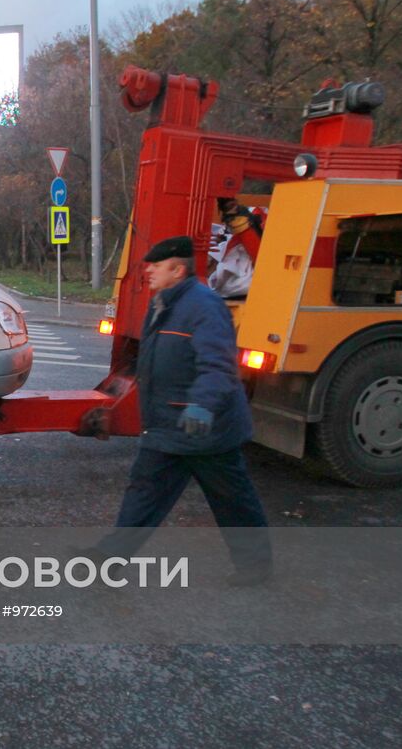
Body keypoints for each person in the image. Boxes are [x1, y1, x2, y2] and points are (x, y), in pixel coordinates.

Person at [96, 235, 272, 585]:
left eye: (156, 266)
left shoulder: (204, 306)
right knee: (142, 495)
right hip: (166, 427)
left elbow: (219, 366)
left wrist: (202, 406)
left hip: (207, 432)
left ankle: (256, 569)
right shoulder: (163, 302)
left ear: (177, 269)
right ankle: (105, 564)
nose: (148, 271)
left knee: (233, 503)